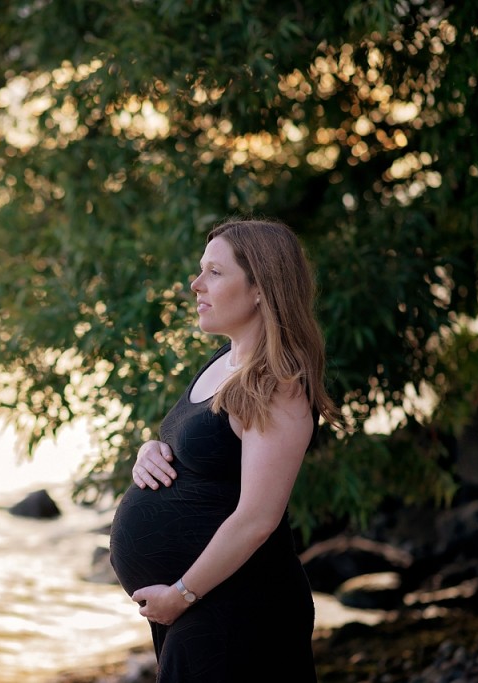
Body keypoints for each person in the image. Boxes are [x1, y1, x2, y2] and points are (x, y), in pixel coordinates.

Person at [109, 218, 343, 682]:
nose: (196, 285)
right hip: (203, 603)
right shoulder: (226, 362)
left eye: (214, 273)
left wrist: (181, 594)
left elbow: (258, 517)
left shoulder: (278, 383)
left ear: (260, 288)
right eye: (201, 271)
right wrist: (150, 451)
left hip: (238, 608)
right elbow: (208, 456)